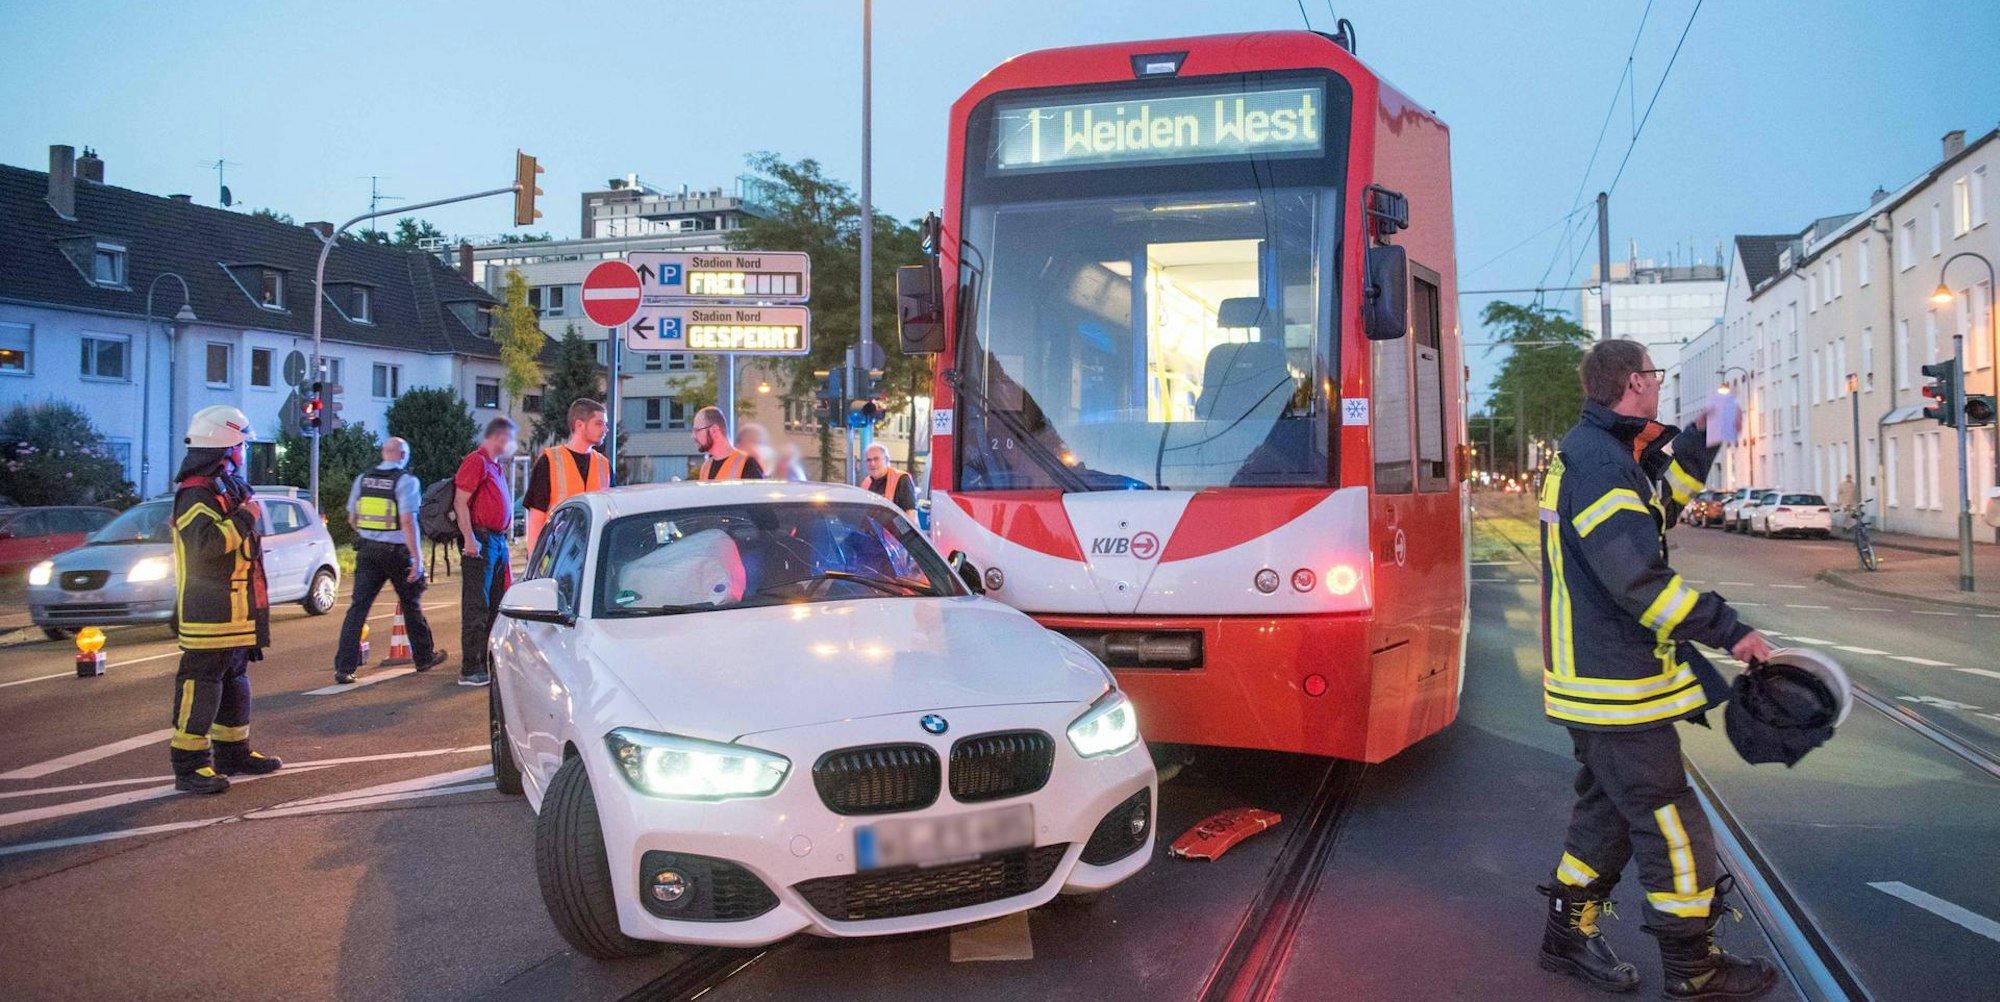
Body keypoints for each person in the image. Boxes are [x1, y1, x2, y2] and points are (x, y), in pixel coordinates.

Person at [1536, 339, 1776, 1000]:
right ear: (1635, 382)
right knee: (1670, 820)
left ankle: (1567, 935)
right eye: (1655, 376)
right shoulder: (1601, 466)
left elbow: (1660, 505)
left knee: (1609, 814)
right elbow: (1637, 581)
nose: (1659, 386)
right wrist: (1732, 631)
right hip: (1614, 687)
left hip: (1601, 683)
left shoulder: (1603, 455)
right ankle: (1693, 965)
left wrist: (1715, 426)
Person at [166, 405, 282, 795]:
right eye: (241, 445)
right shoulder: (195, 492)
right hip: (208, 611)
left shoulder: (226, 486)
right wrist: (246, 517)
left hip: (235, 609)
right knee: (202, 685)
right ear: (225, 446)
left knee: (234, 681)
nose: (244, 453)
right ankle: (190, 765)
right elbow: (207, 545)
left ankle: (233, 753)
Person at [334, 437, 447, 685]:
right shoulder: (406, 481)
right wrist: (417, 559)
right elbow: (408, 522)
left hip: (367, 551)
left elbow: (353, 518)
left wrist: (369, 534)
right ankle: (424, 657)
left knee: (358, 608)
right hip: (395, 551)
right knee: (410, 602)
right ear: (403, 454)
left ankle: (344, 668)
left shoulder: (362, 479)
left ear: (385, 453)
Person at [453, 417, 517, 687]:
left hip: (496, 541)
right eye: (510, 438)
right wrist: (469, 538)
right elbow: (460, 502)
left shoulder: (495, 466)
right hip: (480, 540)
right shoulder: (477, 461)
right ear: (499, 436)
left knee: (494, 604)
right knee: (477, 605)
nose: (512, 445)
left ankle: (486, 661)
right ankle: (471, 667)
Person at [525, 399, 611, 554]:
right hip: (557, 554)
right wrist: (533, 562)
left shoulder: (604, 465)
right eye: (599, 423)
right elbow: (537, 516)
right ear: (579, 425)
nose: (605, 429)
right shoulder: (550, 461)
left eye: (605, 424)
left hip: (593, 553)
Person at [692, 406, 763, 481]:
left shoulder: (747, 464)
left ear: (714, 430)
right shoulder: (706, 467)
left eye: (697, 430)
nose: (693, 436)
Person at [862, 443, 919, 524]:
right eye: (869, 460)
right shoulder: (866, 483)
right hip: (873, 534)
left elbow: (910, 515)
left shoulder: (901, 479)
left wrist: (901, 536)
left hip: (897, 534)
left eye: (876, 459)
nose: (872, 464)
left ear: (887, 459)